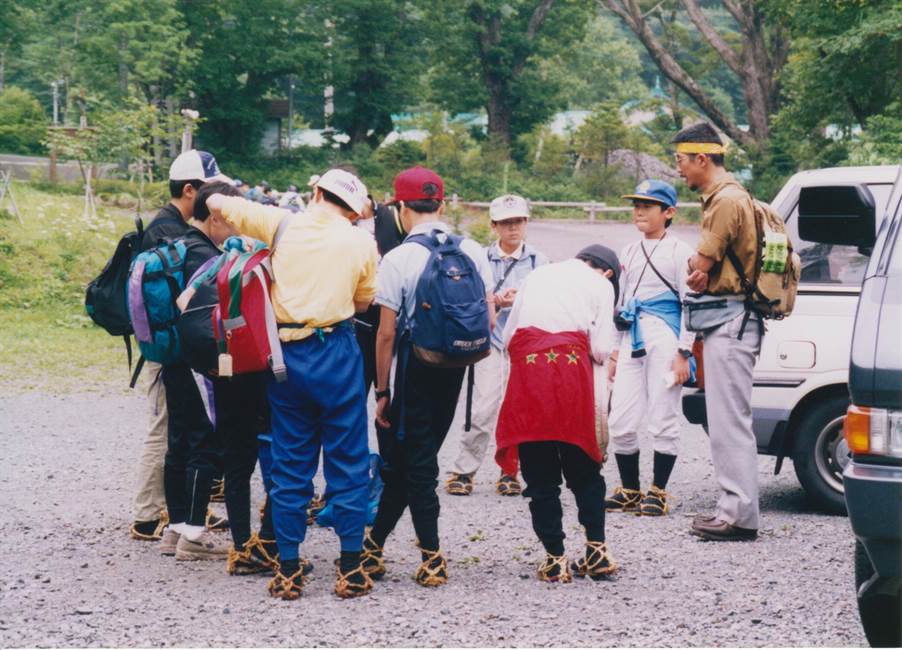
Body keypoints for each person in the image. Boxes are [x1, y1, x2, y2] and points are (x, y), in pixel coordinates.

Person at [205, 167, 379, 600]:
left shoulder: (280, 222)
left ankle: (287, 568)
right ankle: (352, 567)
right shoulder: (361, 240)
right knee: (349, 459)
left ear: (316, 192)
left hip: (286, 358)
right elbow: (364, 300)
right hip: (338, 350)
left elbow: (213, 202)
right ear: (354, 210)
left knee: (290, 460)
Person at [366, 166, 495, 587]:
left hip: (415, 368)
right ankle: (375, 544)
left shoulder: (399, 258)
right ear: (441, 203)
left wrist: (382, 390)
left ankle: (432, 556)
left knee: (417, 464)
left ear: (401, 208)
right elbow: (488, 316)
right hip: (457, 367)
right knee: (411, 461)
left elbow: (386, 333)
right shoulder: (473, 250)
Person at [495, 245, 619, 583]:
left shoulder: (536, 274)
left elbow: (508, 337)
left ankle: (554, 559)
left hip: (530, 375)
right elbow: (602, 348)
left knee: (540, 475)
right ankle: (597, 551)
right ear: (607, 271)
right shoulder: (602, 286)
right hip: (570, 374)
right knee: (584, 469)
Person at [185, 181, 286, 576]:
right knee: (282, 458)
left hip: (223, 371)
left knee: (237, 461)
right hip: (262, 374)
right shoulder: (264, 259)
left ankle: (243, 544)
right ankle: (272, 541)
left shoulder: (212, 263)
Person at [129, 150, 230, 543]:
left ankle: (181, 513)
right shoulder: (172, 233)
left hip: (166, 344)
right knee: (172, 431)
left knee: (178, 433)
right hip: (177, 348)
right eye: (209, 192)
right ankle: (149, 515)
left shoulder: (168, 225)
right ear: (191, 190)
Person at [673, 122, 763, 542]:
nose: (680, 171)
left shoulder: (725, 200)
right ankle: (734, 510)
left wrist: (698, 269)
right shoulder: (730, 195)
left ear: (701, 159)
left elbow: (700, 264)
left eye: (681, 161)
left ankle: (739, 516)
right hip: (733, 319)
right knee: (728, 419)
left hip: (731, 320)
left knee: (729, 422)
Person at [155, 158, 237, 563]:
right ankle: (193, 534)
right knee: (207, 441)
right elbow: (207, 320)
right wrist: (216, 364)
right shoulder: (206, 255)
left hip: (172, 358)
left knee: (180, 442)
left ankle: (174, 529)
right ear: (216, 215)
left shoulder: (177, 244)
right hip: (198, 363)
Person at [446, 194, 549, 497]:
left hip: (523, 342)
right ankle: (464, 470)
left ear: (526, 223)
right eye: (506, 223)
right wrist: (496, 302)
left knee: (519, 408)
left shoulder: (539, 261)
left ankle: (510, 472)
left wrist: (521, 300)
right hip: (489, 341)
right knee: (482, 407)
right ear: (494, 226)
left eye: (517, 221)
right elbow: (466, 298)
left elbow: (547, 300)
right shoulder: (478, 258)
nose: (512, 228)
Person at [605, 180, 695, 517]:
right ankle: (630, 489)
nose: (639, 211)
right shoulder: (628, 251)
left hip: (664, 337)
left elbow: (690, 304)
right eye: (636, 204)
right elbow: (622, 303)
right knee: (621, 420)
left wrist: (684, 352)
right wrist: (615, 351)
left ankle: (658, 490)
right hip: (632, 337)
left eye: (648, 205)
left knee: (663, 415)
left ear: (668, 212)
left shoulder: (680, 252)